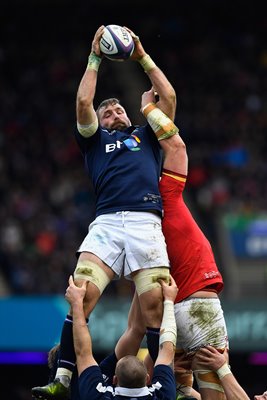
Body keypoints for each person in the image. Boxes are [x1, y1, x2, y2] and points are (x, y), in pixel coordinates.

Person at [32, 24, 177, 400]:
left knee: (153, 310)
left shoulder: (146, 135)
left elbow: (170, 98)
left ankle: (173, 384)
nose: (112, 110)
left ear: (128, 114)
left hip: (146, 222)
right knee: (81, 293)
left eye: (117, 107)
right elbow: (83, 103)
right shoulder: (94, 141)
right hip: (108, 224)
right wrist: (95, 56)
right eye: (106, 110)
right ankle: (62, 380)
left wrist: (142, 54)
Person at [114, 90, 229, 400]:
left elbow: (134, 329)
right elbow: (175, 142)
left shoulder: (129, 228)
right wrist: (148, 105)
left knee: (181, 392)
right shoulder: (166, 196)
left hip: (166, 316)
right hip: (198, 303)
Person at [64, 274, 178, 400]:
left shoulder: (165, 396)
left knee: (135, 332)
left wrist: (168, 301)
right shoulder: (97, 396)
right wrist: (145, 284)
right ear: (147, 378)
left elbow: (165, 350)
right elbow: (83, 353)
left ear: (114, 379)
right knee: (135, 332)